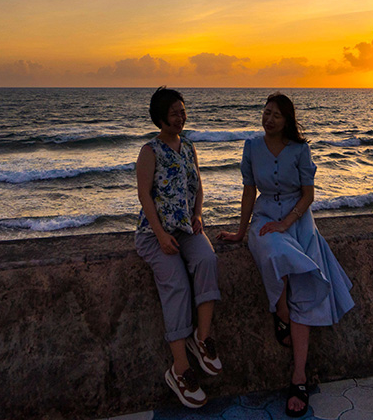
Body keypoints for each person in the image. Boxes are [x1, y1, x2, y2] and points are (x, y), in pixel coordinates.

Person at [217, 93, 354, 418]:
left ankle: (299, 377)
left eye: (276, 114)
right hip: (264, 217)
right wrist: (240, 231)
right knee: (275, 252)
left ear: (287, 119)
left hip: (297, 220)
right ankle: (280, 310)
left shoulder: (299, 150)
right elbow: (249, 190)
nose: (269, 118)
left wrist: (287, 222)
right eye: (266, 112)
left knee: (303, 288)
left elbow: (308, 194)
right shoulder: (251, 147)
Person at [136, 87, 223, 408]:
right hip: (154, 234)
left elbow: (197, 185)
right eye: (175, 113)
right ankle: (180, 370)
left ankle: (201, 339)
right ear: (160, 117)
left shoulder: (188, 147)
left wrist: (198, 213)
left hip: (186, 228)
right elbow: (145, 196)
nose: (181, 117)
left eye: (183, 111)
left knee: (207, 261)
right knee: (176, 285)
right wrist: (159, 234)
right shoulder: (150, 151)